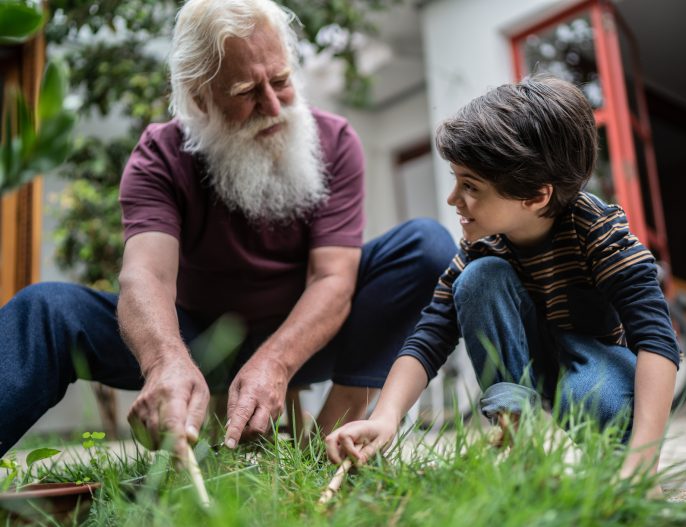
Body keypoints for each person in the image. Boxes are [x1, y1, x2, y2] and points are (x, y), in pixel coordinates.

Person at [0, 0, 456, 459]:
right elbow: (147, 275)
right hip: (198, 342)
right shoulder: (159, 155)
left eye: (280, 81)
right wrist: (165, 361)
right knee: (46, 310)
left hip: (308, 334)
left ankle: (331, 439)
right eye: (246, 91)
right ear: (200, 97)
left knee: (425, 245)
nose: (273, 106)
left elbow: (332, 278)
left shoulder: (335, 141)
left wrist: (276, 361)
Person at [325, 75, 680, 482]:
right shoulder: (483, 245)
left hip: (593, 363)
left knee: (592, 397)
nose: (453, 198)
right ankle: (520, 441)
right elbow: (429, 336)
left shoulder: (597, 231)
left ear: (535, 196)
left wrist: (643, 461)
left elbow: (655, 338)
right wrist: (386, 417)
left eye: (470, 186)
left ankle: (617, 464)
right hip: (524, 367)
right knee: (478, 278)